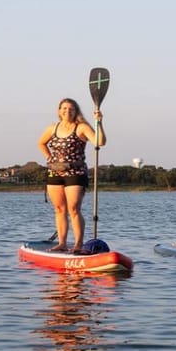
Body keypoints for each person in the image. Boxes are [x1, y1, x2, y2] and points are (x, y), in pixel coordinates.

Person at [37, 98, 105, 253]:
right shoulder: (52, 128)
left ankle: (78, 245)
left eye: (71, 109)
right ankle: (62, 243)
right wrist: (50, 158)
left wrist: (99, 123)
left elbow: (100, 142)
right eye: (64, 108)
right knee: (59, 209)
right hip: (55, 172)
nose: (67, 111)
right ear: (59, 110)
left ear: (76, 111)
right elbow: (41, 143)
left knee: (73, 209)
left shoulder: (81, 127)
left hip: (75, 172)